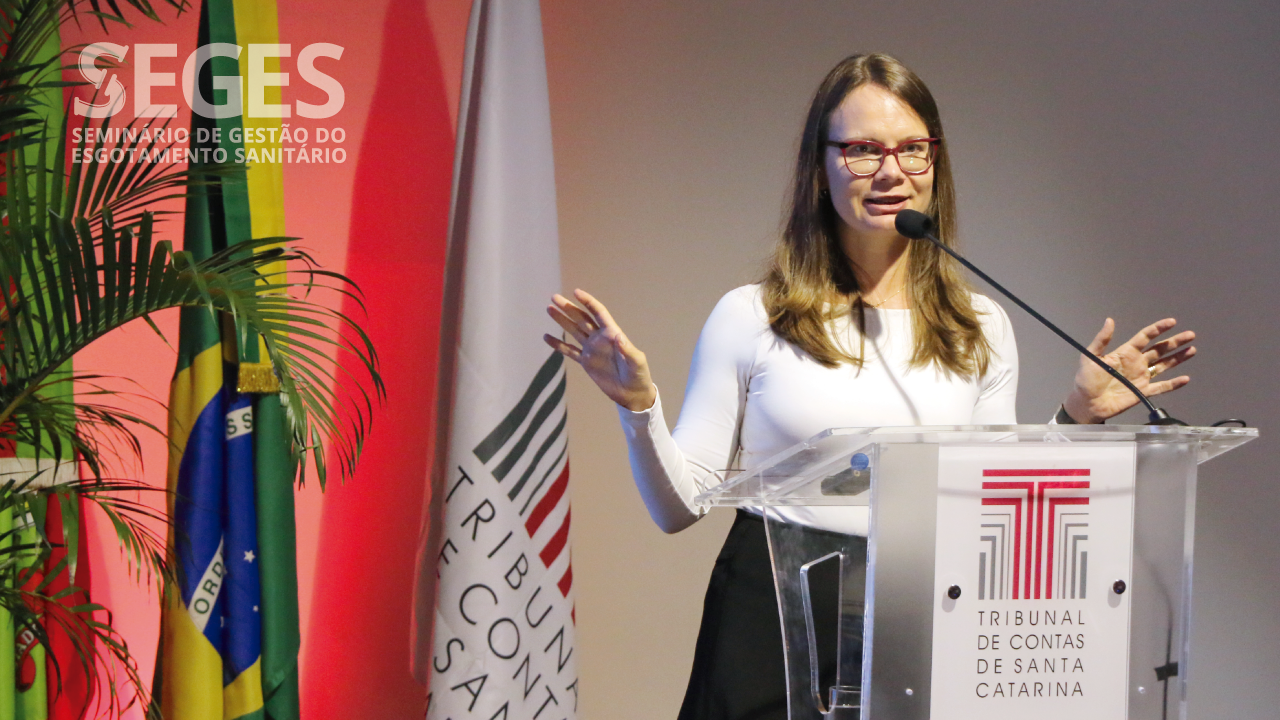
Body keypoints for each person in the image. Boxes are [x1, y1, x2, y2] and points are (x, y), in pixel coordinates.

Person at [543, 53, 1196, 720]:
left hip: (919, 616)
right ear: (821, 169)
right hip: (775, 619)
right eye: (862, 150)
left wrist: (1076, 418)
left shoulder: (982, 326)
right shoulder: (752, 315)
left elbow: (993, 504)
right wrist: (639, 408)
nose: (891, 171)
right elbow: (678, 507)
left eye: (913, 149)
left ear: (935, 166)